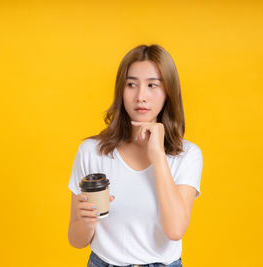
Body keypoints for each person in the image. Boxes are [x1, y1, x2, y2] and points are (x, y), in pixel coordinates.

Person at [68, 44, 203, 267]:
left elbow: (175, 230)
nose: (141, 96)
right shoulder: (92, 152)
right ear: (121, 91)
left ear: (168, 91)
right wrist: (86, 221)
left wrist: (158, 156)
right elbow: (76, 239)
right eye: (131, 84)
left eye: (152, 85)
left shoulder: (187, 155)